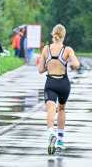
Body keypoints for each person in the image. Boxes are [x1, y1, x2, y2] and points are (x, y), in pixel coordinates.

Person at [38, 24, 80, 154]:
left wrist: (49, 67)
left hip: (50, 82)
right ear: (64, 36)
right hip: (63, 83)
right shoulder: (67, 49)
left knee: (51, 109)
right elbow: (77, 64)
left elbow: (40, 70)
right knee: (61, 109)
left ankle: (51, 135)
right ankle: (60, 140)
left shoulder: (46, 49)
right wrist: (72, 65)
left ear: (52, 35)